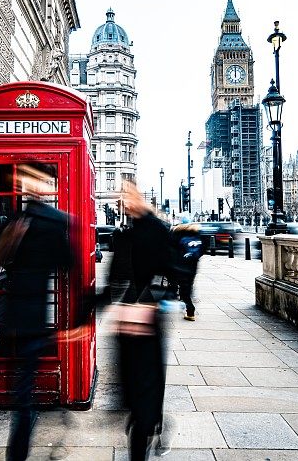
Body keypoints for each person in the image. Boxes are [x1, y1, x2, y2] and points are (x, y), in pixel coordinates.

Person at [0, 163, 72, 461]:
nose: (28, 185)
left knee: (23, 394)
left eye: (34, 180)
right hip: (17, 317)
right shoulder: (19, 219)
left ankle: (17, 454)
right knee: (22, 391)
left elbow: (68, 265)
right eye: (25, 180)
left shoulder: (52, 221)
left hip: (35, 318)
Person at [111, 181, 172, 461]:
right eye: (121, 197)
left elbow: (173, 273)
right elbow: (113, 281)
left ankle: (148, 426)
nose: (123, 201)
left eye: (126, 195)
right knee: (131, 389)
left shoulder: (159, 230)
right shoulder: (124, 235)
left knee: (147, 387)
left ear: (138, 197)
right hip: (127, 323)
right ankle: (148, 422)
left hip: (149, 320)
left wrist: (151, 302)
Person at [168, 216, 204, 321]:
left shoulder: (176, 233)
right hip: (193, 265)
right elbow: (203, 249)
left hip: (180, 265)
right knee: (188, 285)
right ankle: (187, 303)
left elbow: (170, 248)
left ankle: (190, 309)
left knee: (182, 288)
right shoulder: (197, 233)